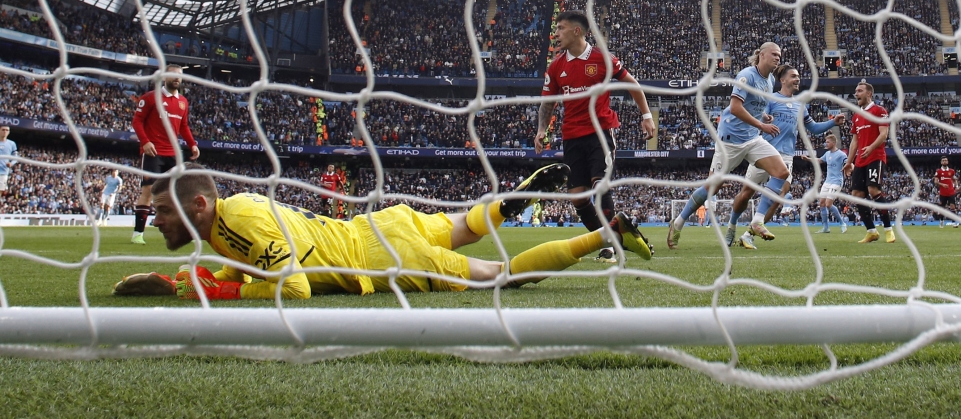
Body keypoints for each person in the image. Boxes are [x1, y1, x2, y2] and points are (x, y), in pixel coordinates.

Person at [113, 162, 652, 300]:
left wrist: (208, 289)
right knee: (466, 225)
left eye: (160, 212)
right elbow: (248, 267)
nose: (153, 218)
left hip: (379, 257)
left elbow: (293, 287)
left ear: (199, 204)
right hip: (376, 225)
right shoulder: (226, 222)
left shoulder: (244, 217)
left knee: (500, 275)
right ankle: (518, 197)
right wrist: (189, 282)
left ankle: (602, 237)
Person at [534, 10, 654, 261]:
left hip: (600, 132)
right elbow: (547, 103)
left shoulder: (602, 58)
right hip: (572, 136)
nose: (556, 34)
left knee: (600, 186)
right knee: (578, 197)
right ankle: (615, 239)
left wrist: (646, 116)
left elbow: (632, 84)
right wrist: (541, 130)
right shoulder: (556, 66)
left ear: (577, 31)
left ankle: (609, 247)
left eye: (561, 29)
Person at [668, 42, 789, 250]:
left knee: (781, 172)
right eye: (774, 54)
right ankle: (678, 222)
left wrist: (763, 116)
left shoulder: (769, 80)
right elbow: (735, 107)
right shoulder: (746, 75)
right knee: (711, 188)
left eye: (780, 55)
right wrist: (761, 124)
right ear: (761, 55)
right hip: (730, 142)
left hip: (752, 139)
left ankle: (757, 220)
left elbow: (754, 106)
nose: (778, 58)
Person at [723, 65, 844, 249]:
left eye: (798, 76)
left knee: (778, 196)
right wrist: (763, 121)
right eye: (793, 76)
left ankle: (749, 234)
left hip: (786, 157)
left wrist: (832, 122)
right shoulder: (770, 99)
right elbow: (757, 117)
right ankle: (731, 226)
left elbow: (812, 128)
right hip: (765, 152)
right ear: (783, 80)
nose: (797, 79)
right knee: (746, 193)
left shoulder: (801, 105)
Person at [130, 64, 200, 245]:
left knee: (179, 193)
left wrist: (192, 144)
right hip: (154, 152)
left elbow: (183, 126)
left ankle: (183, 233)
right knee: (148, 191)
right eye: (173, 75)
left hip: (173, 153)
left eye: (180, 76)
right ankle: (138, 233)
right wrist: (145, 142)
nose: (177, 79)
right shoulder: (151, 98)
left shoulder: (183, 102)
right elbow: (137, 121)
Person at [844, 81, 893, 244]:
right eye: (855, 91)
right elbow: (855, 141)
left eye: (859, 91)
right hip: (860, 160)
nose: (856, 94)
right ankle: (871, 231)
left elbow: (884, 134)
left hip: (876, 156)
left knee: (873, 190)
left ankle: (888, 229)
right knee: (857, 195)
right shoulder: (857, 115)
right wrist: (849, 162)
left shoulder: (879, 111)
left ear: (869, 94)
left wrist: (871, 148)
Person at [811, 134, 849, 234]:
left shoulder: (841, 154)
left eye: (828, 142)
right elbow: (819, 160)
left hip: (837, 181)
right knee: (822, 204)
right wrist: (808, 159)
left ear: (833, 143)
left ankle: (842, 223)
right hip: (827, 181)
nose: (826, 144)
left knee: (828, 204)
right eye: (826, 142)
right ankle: (826, 228)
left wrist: (850, 168)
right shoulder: (827, 154)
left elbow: (848, 163)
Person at [934, 156, 959, 228]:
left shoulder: (951, 171)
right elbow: (935, 181)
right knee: (942, 208)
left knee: (953, 207)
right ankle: (941, 221)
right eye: (943, 160)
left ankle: (953, 223)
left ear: (947, 162)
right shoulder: (938, 171)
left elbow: (954, 179)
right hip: (943, 193)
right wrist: (942, 184)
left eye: (946, 160)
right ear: (941, 162)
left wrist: (956, 187)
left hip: (951, 192)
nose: (945, 161)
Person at [0, 125, 17, 195]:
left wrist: (11, 163)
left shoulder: (12, 144)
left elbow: (15, 157)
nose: (5, 132)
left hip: (3, 171)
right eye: (3, 130)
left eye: (7, 130)